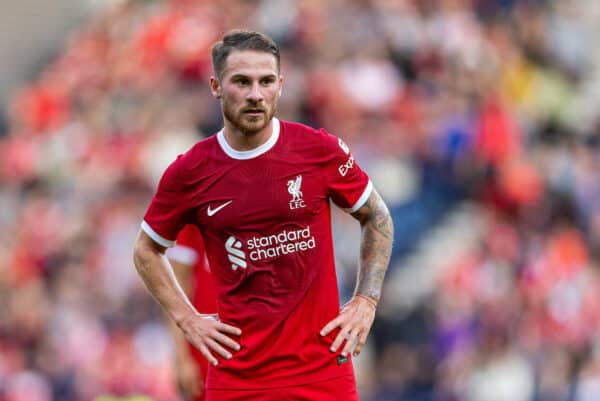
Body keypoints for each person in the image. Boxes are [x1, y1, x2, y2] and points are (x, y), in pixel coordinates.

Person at [133, 29, 394, 401]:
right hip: (238, 379)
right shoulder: (190, 172)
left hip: (322, 374)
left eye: (266, 81)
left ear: (280, 85)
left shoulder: (318, 150)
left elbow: (378, 217)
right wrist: (187, 318)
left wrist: (365, 301)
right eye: (241, 82)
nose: (255, 94)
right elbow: (147, 250)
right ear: (215, 86)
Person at [166, 224, 217, 401]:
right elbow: (177, 284)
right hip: (205, 347)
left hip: (255, 343)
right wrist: (181, 358)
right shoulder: (196, 203)